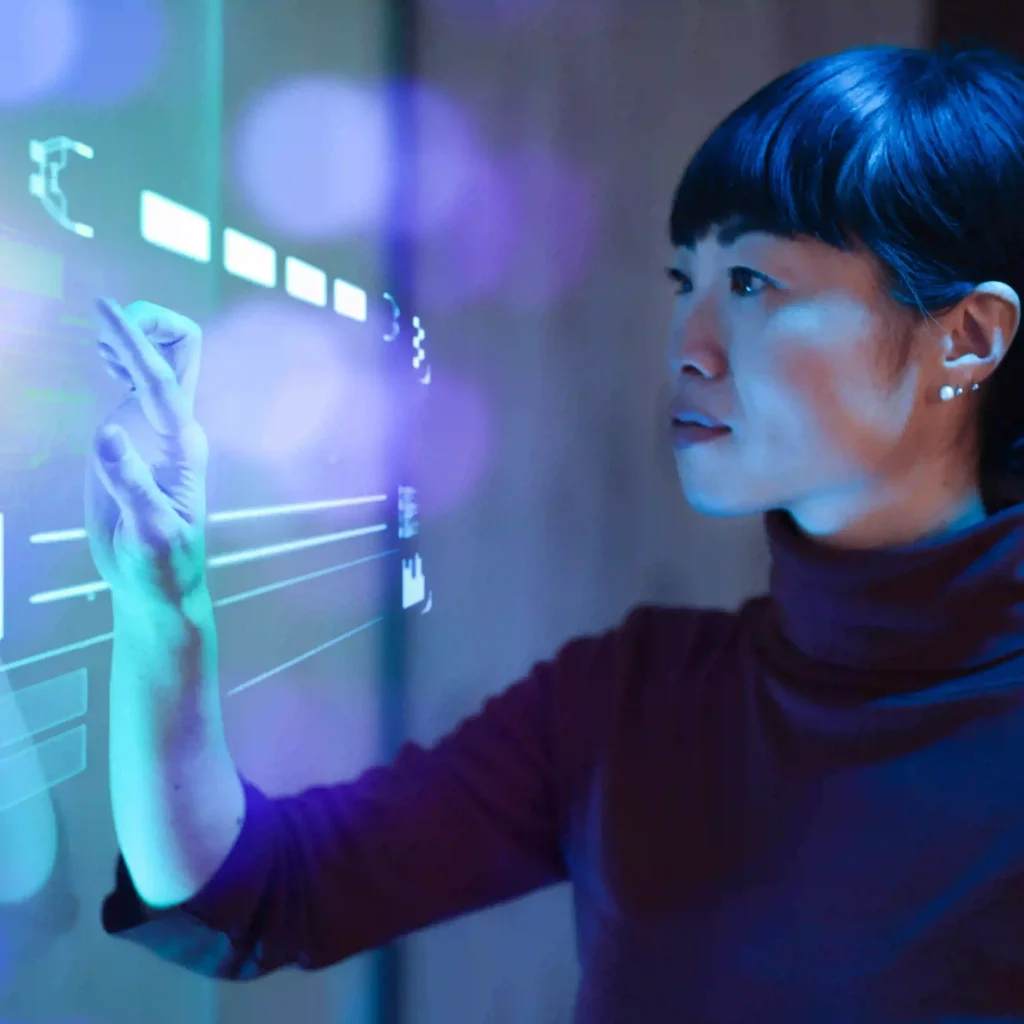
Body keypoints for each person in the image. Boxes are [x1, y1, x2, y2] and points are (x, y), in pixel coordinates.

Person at [93, 43, 1024, 1020]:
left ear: (965, 337)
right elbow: (258, 892)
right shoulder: (631, 698)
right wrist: (165, 607)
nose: (687, 343)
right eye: (683, 281)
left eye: (751, 283)